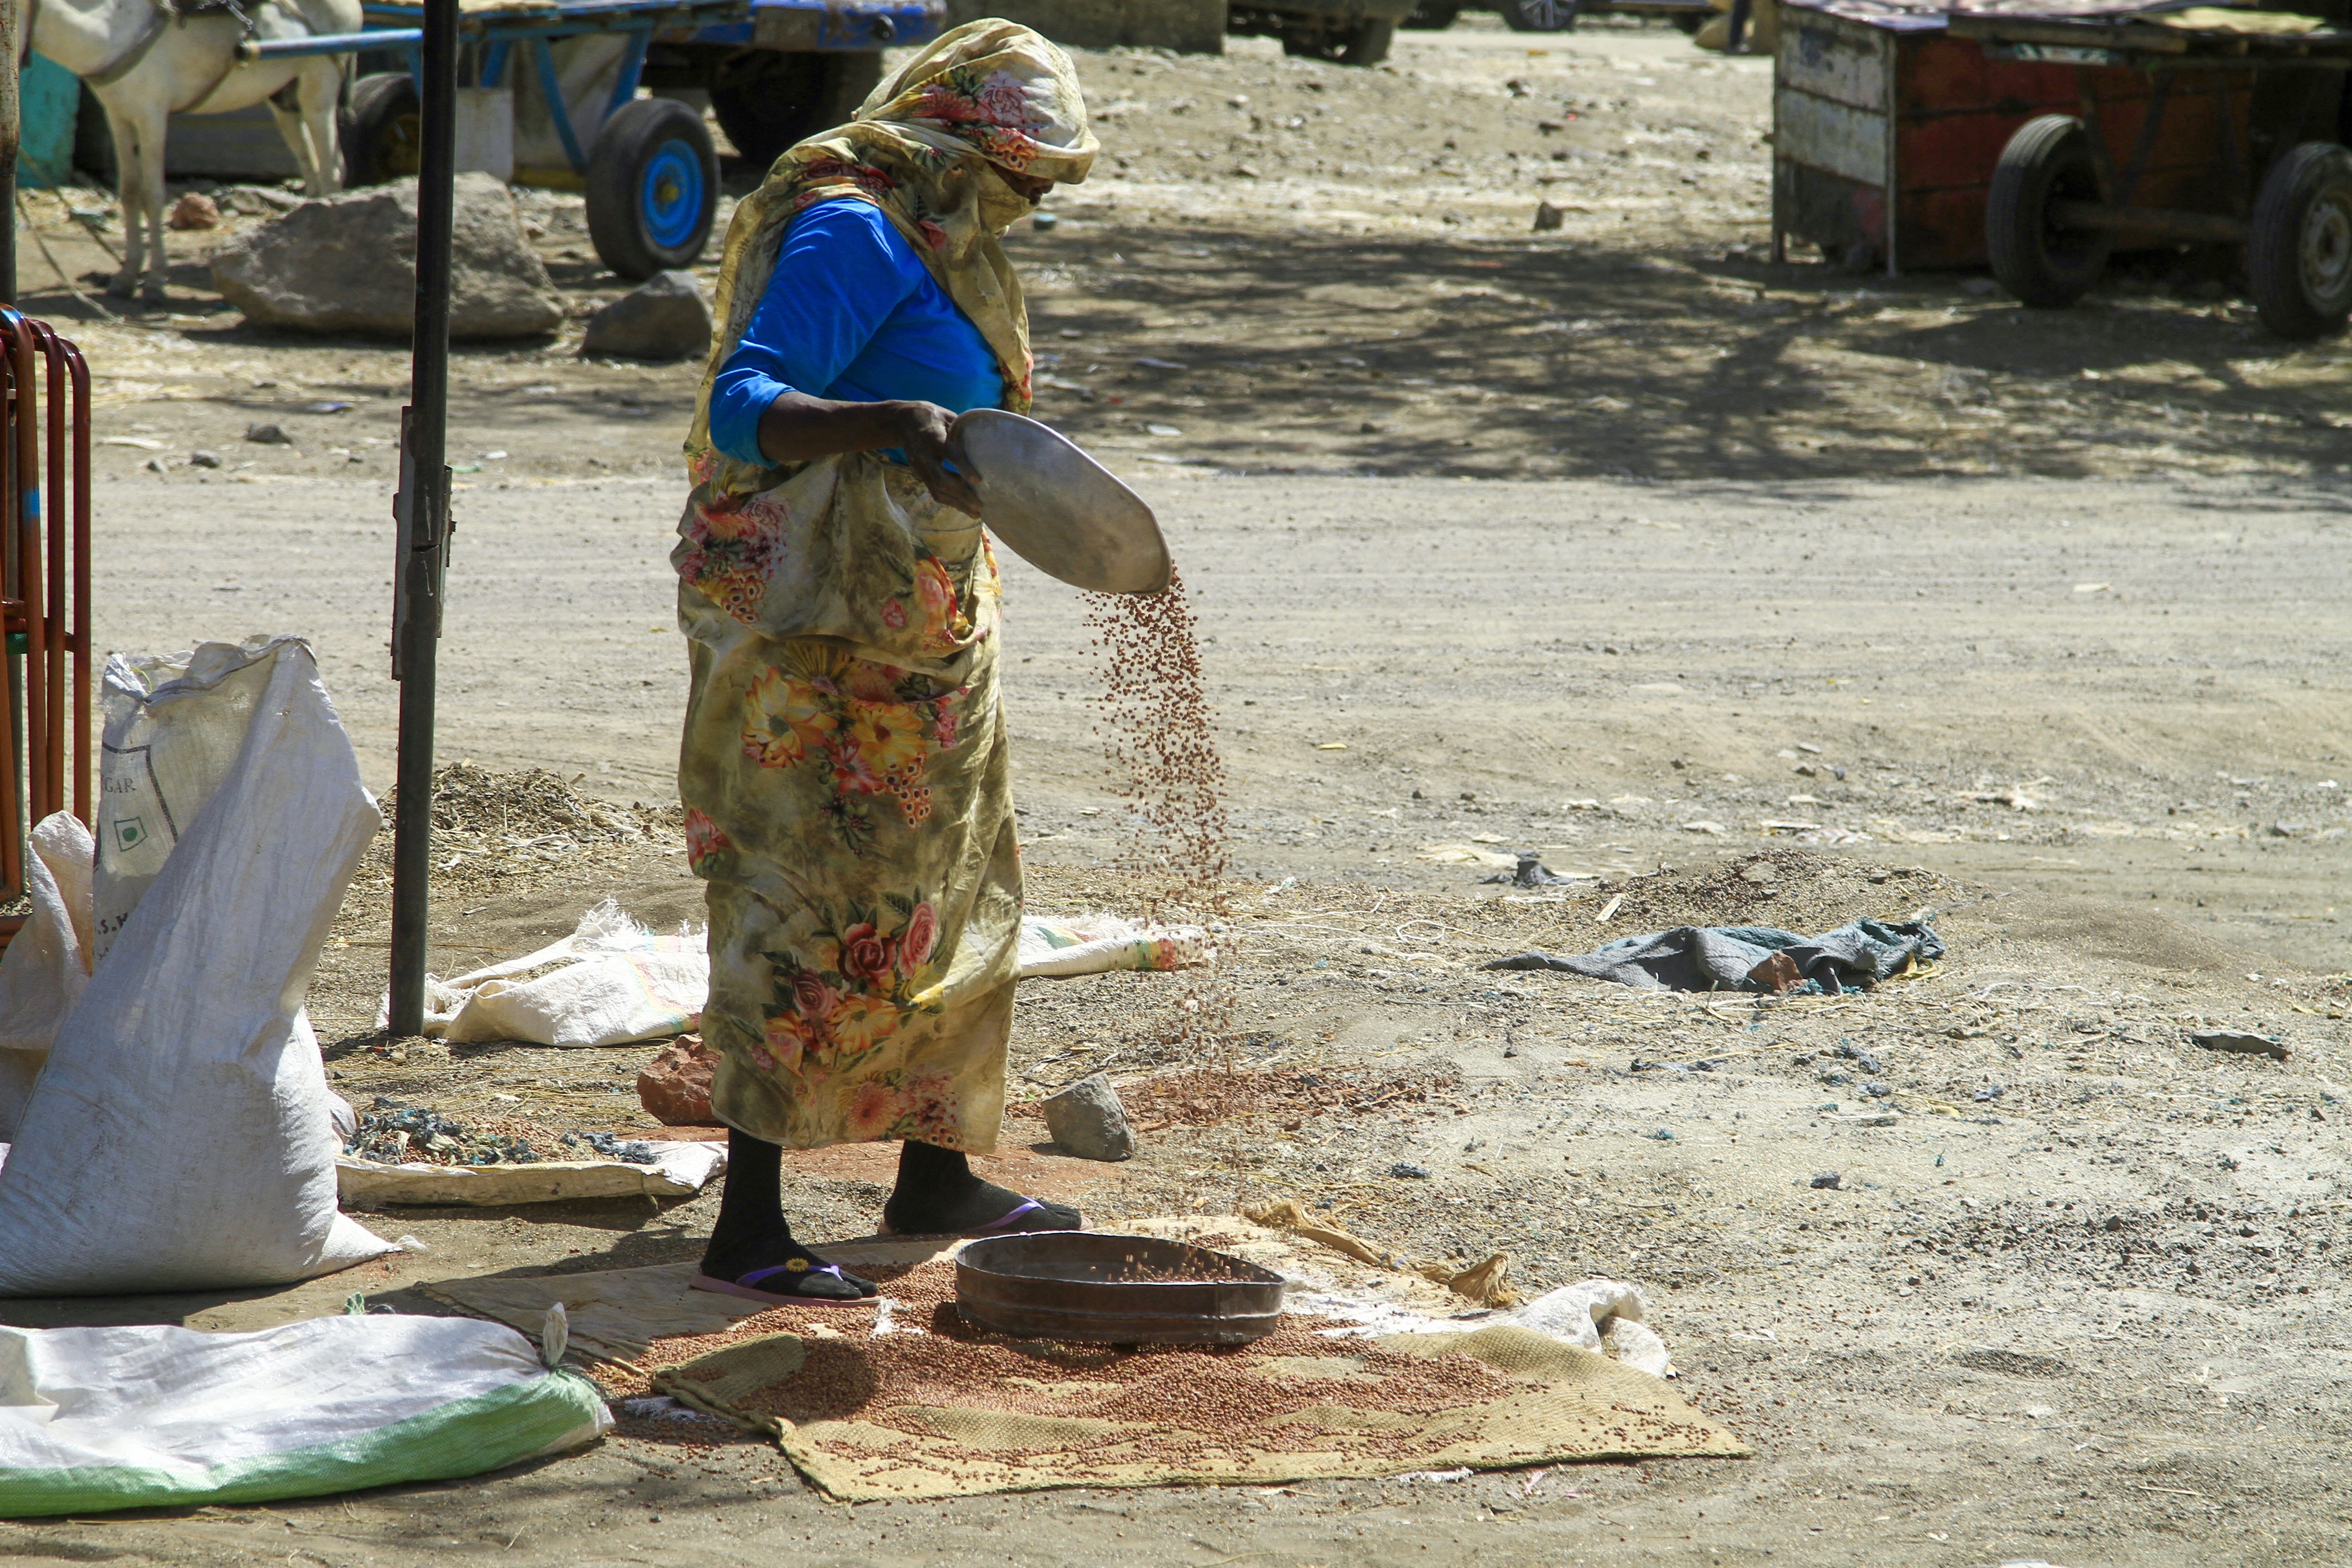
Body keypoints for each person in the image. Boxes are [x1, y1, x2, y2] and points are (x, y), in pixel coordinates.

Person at [673, 21, 1097, 1305]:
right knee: (796, 907)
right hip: (814, 643)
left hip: (922, 622)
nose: (1030, 205)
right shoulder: (856, 226)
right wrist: (893, 421)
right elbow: (744, 403)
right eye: (1023, 176)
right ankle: (751, 1225)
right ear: (953, 144)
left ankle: (933, 1171)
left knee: (952, 892)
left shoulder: (950, 240)